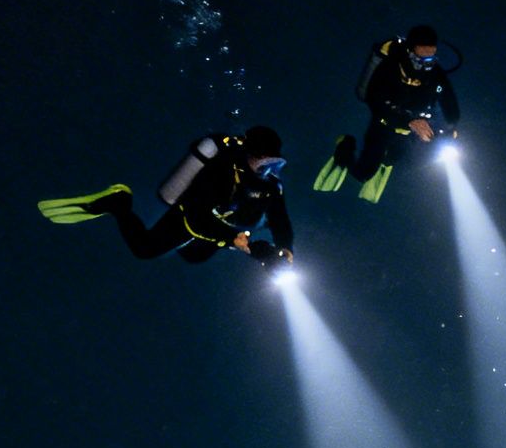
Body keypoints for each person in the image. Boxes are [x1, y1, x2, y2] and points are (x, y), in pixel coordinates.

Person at [38, 126, 294, 267]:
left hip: (221, 224)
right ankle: (119, 203)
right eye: (263, 161)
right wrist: (234, 240)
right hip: (191, 217)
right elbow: (198, 217)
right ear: (250, 154)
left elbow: (279, 217)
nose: (267, 169)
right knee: (145, 249)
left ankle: (222, 242)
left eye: (273, 164)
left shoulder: (270, 184)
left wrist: (285, 248)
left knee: (194, 256)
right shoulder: (223, 168)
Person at [313, 24, 460, 202]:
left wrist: (451, 125)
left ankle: (388, 159)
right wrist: (409, 121)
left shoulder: (435, 73)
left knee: (397, 158)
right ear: (410, 50)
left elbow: (448, 100)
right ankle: (345, 146)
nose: (427, 63)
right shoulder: (390, 67)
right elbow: (375, 101)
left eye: (431, 56)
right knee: (363, 174)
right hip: (383, 124)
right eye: (422, 56)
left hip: (410, 130)